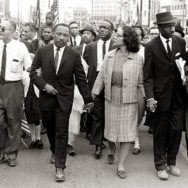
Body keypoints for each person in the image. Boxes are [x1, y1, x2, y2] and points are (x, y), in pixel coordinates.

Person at [30, 23, 94, 182]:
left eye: (65, 35)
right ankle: (54, 150)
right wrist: (44, 85)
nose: (61, 37)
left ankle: (60, 166)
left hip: (64, 99)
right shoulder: (42, 51)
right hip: (46, 98)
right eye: (59, 34)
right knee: (50, 128)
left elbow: (81, 79)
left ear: (68, 37)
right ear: (53, 34)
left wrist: (88, 100)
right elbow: (32, 73)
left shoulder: (73, 55)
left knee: (61, 131)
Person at [92, 25, 144, 179]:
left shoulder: (138, 58)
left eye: (118, 34)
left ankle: (121, 165)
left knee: (127, 134)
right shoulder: (109, 56)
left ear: (126, 39)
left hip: (130, 99)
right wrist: (93, 95)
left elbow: (141, 83)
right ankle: (111, 149)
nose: (114, 36)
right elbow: (101, 77)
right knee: (112, 132)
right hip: (111, 97)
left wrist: (149, 99)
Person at [144, 12, 187, 180]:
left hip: (178, 96)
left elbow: (183, 66)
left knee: (176, 130)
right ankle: (160, 165)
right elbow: (147, 76)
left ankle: (172, 162)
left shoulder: (180, 42)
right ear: (160, 27)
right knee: (160, 132)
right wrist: (150, 97)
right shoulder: (151, 46)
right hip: (160, 97)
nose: (172, 29)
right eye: (168, 26)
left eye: (173, 25)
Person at [0, 20, 32, 167]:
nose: (0, 30)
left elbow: (30, 67)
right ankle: (1, 152)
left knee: (13, 121)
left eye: (3, 28)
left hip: (13, 88)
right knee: (0, 123)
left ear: (12, 31)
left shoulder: (20, 47)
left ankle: (11, 154)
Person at [83, 20, 116, 159]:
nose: (102, 30)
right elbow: (84, 65)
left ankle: (110, 142)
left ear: (112, 31)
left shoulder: (117, 46)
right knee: (97, 113)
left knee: (110, 114)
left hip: (112, 83)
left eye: (105, 28)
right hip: (95, 81)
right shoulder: (91, 46)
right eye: (100, 28)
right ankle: (97, 145)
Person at [67, 24, 96, 156]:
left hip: (79, 90)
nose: (84, 35)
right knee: (65, 119)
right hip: (64, 91)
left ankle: (71, 143)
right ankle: (65, 144)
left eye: (88, 33)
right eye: (83, 33)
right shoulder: (73, 51)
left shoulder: (88, 54)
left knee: (74, 118)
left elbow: (84, 75)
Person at [132, 26, 146, 155]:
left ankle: (133, 134)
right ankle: (136, 143)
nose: (136, 37)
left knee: (140, 115)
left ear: (142, 37)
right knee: (133, 116)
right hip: (129, 87)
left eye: (139, 35)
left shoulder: (146, 51)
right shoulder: (126, 51)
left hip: (142, 87)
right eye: (134, 34)